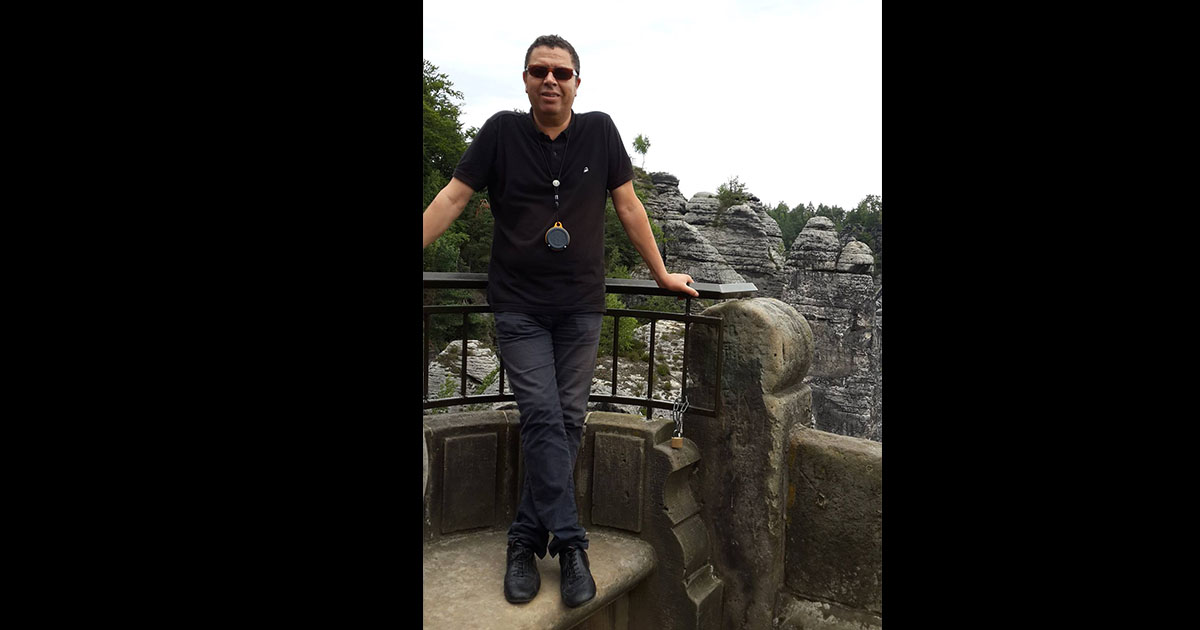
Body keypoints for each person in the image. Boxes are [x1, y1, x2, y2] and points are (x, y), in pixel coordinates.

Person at [422, 34, 698, 608]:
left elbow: (629, 206)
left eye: (561, 72)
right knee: (544, 415)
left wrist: (662, 275)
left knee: (568, 420)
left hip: (580, 305)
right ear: (525, 80)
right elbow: (451, 198)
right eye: (539, 70)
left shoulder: (600, 131)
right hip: (518, 304)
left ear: (577, 82)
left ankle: (524, 541)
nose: (550, 80)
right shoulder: (500, 132)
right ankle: (572, 545)